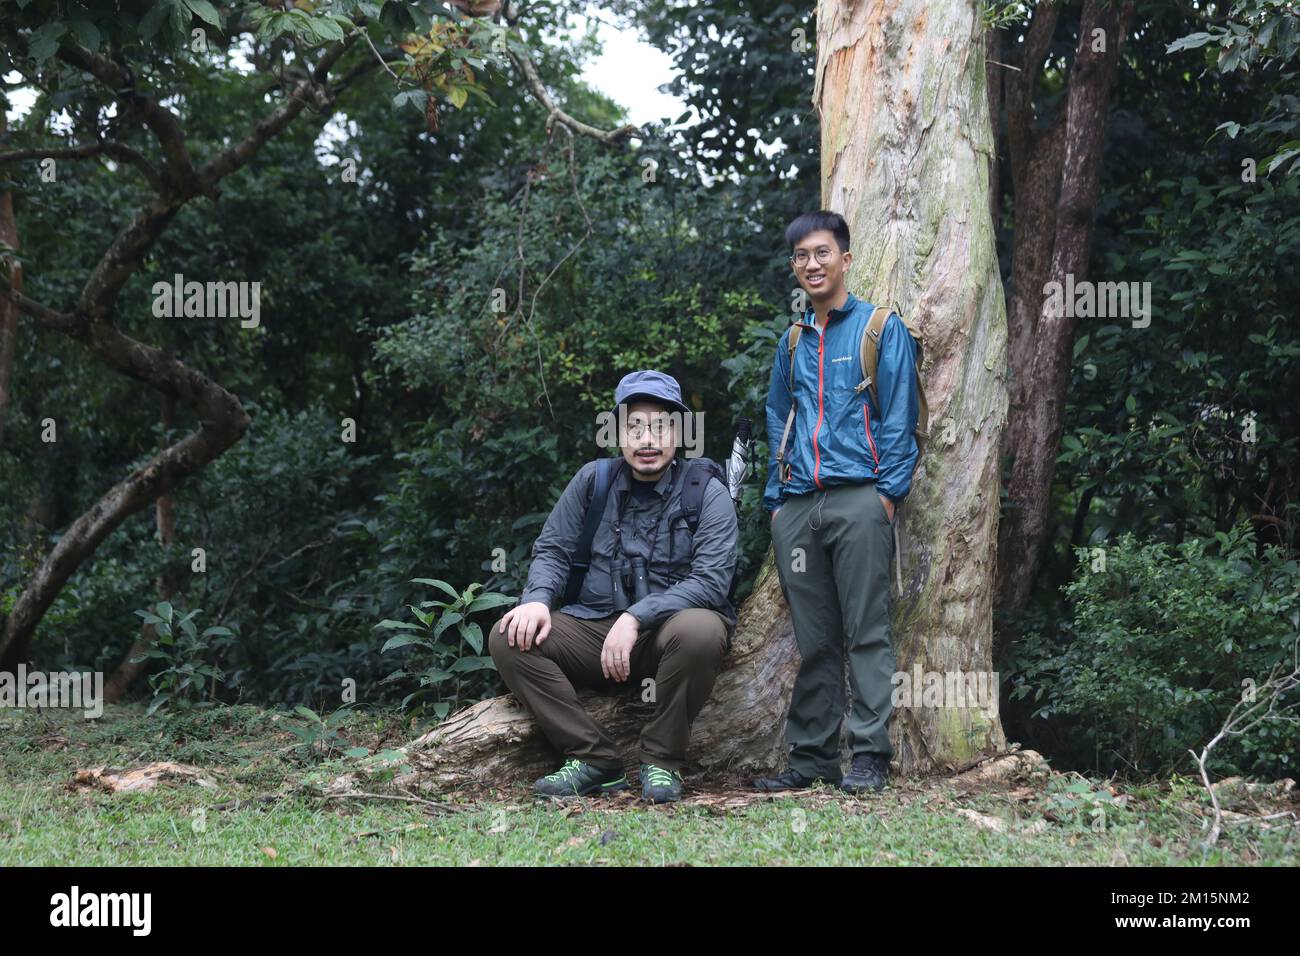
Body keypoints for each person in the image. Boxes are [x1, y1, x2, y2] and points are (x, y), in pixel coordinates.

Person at [489, 370, 740, 803]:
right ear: (618, 433)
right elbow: (553, 550)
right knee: (508, 636)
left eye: (660, 426)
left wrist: (635, 617)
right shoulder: (594, 481)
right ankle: (594, 759)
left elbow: (711, 582)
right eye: (635, 426)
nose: (648, 439)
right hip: (593, 631)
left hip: (668, 636)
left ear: (678, 433)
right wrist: (536, 601)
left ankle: (661, 761)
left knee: (702, 629)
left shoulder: (706, 491)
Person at [753, 210, 920, 795]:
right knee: (814, 636)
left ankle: (871, 756)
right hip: (798, 506)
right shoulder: (794, 339)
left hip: (860, 500)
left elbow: (900, 419)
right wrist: (777, 499)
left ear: (844, 259)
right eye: (801, 256)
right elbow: (779, 415)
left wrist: (887, 497)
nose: (811, 264)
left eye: (822, 253)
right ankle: (812, 759)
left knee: (868, 631)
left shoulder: (878, 328)